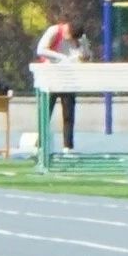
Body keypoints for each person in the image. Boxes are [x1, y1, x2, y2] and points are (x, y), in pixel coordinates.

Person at [35, 12, 88, 151]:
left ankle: (68, 147)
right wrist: (60, 57)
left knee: (69, 113)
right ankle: (40, 145)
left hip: (68, 78)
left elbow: (86, 56)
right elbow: (40, 50)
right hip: (50, 77)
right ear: (67, 27)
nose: (69, 38)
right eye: (69, 35)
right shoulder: (54, 31)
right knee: (46, 112)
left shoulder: (80, 38)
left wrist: (81, 56)